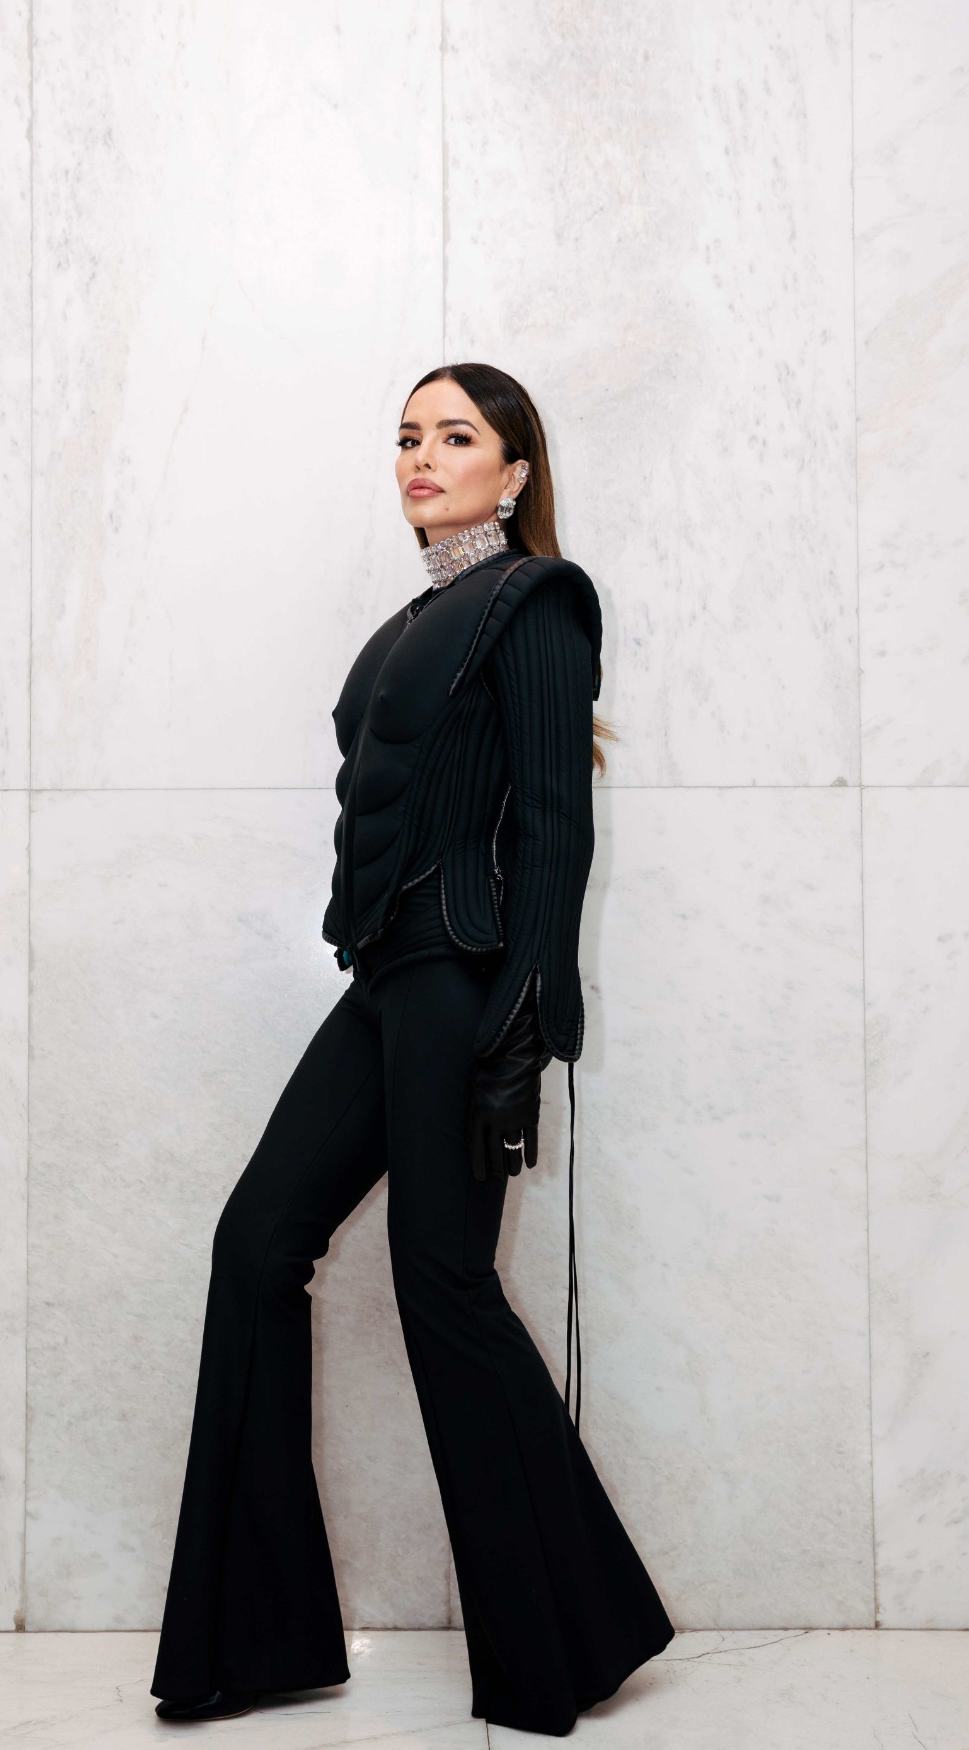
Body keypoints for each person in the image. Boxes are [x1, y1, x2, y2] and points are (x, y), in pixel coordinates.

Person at [149, 363, 675, 1736]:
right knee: (254, 1246)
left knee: (442, 1287)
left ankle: (566, 1643)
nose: (421, 457)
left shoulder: (538, 602)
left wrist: (527, 1024)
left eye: (455, 436)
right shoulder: (411, 621)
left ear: (515, 470)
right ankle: (259, 1641)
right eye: (406, 437)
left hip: (461, 979)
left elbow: (554, 826)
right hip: (387, 981)